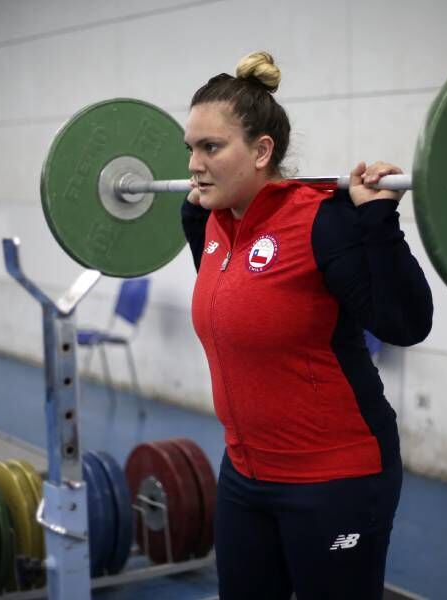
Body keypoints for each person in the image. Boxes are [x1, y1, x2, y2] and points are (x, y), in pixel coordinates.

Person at [180, 51, 433, 600]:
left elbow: (407, 322)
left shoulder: (323, 219)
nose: (194, 164)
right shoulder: (211, 221)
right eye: (191, 149)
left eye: (211, 147)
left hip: (335, 479)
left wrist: (378, 218)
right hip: (244, 475)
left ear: (262, 150)